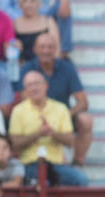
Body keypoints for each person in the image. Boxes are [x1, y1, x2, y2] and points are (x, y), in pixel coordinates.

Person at [17, 33, 91, 165]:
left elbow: (83, 102)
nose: (46, 51)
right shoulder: (26, 68)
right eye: (42, 47)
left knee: (86, 120)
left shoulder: (67, 68)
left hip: (63, 115)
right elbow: (24, 99)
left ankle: (77, 162)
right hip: (35, 115)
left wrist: (64, 114)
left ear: (56, 49)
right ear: (35, 49)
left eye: (50, 47)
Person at [9, 69, 88, 185]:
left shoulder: (61, 108)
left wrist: (52, 133)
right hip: (30, 164)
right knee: (43, 184)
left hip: (56, 164)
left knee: (81, 180)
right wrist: (38, 133)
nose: (34, 88)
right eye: (30, 85)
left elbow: (70, 141)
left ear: (46, 85)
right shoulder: (18, 111)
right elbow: (14, 144)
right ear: (25, 90)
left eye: (37, 83)